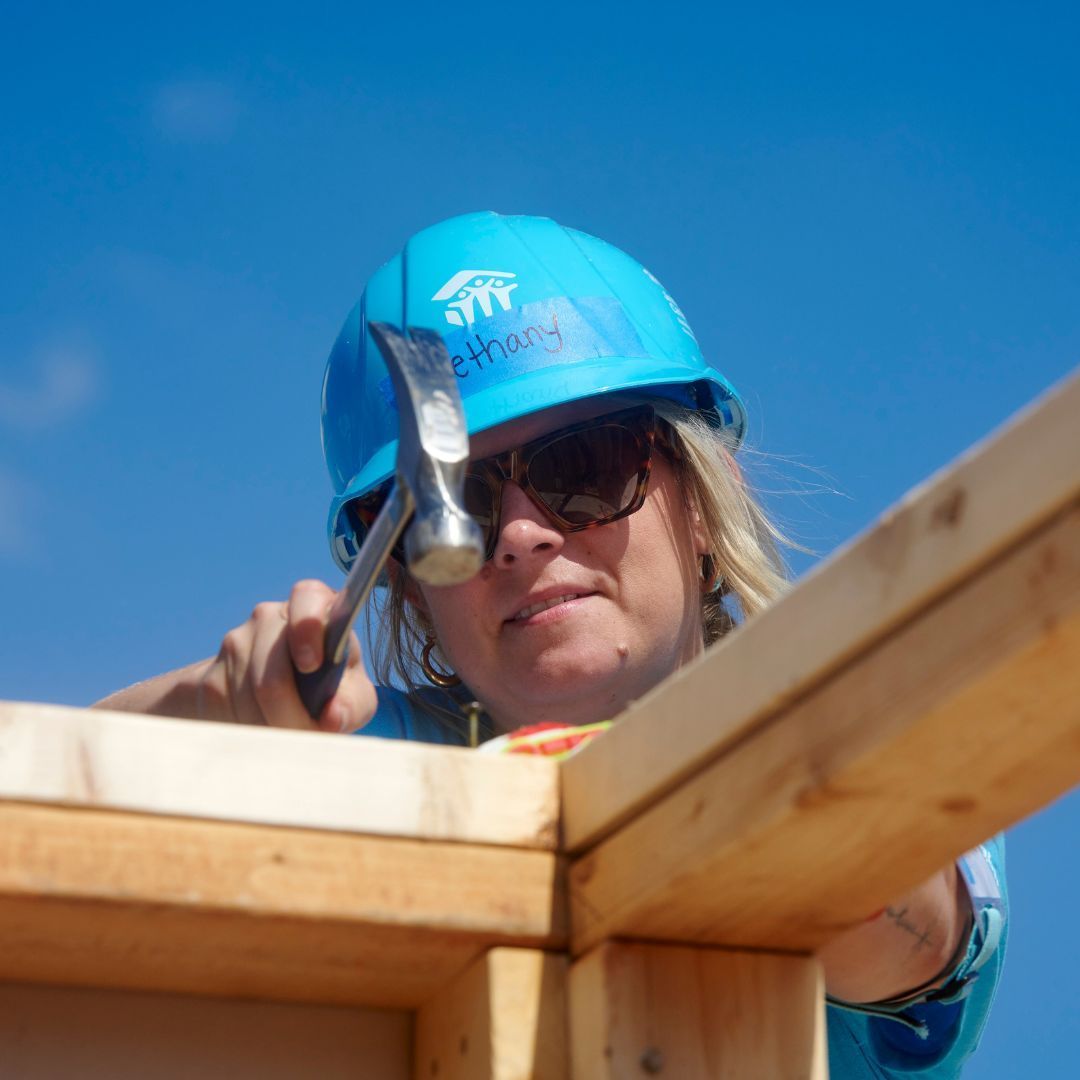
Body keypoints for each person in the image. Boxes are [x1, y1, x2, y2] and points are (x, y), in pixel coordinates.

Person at [96, 211, 1007, 1077]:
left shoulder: (856, 737)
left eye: (585, 466)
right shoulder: (386, 767)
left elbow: (905, 927)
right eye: (466, 499)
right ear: (406, 581)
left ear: (702, 497)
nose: (521, 535)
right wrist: (210, 712)